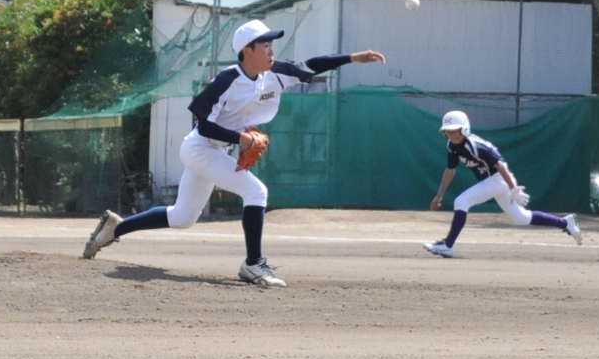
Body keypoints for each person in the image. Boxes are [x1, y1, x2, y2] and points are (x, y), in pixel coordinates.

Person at [81, 19, 386, 287]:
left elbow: (311, 65)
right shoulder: (227, 79)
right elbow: (202, 124)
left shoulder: (275, 73)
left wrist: (352, 58)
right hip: (200, 148)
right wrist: (240, 138)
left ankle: (115, 228)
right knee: (257, 192)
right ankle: (253, 264)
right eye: (264, 45)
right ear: (247, 50)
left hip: (213, 151)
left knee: (182, 217)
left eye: (271, 45)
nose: (271, 50)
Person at [423, 110, 583, 256]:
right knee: (521, 217)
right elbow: (450, 170)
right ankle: (565, 223)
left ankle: (448, 245)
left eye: (454, 130)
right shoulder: (452, 146)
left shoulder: (476, 146)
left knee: (461, 201)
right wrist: (439, 195)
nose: (451, 134)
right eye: (448, 131)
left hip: (499, 179)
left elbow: (501, 166)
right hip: (493, 182)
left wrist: (513, 188)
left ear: (464, 128)